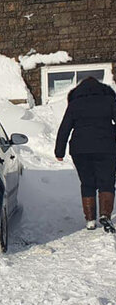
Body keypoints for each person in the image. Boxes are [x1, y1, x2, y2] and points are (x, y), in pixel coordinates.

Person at [55, 76, 116, 233]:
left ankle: (90, 220)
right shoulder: (109, 101)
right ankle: (105, 215)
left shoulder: (75, 104)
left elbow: (65, 128)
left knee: (87, 182)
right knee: (106, 181)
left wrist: (59, 151)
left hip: (80, 150)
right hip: (106, 147)